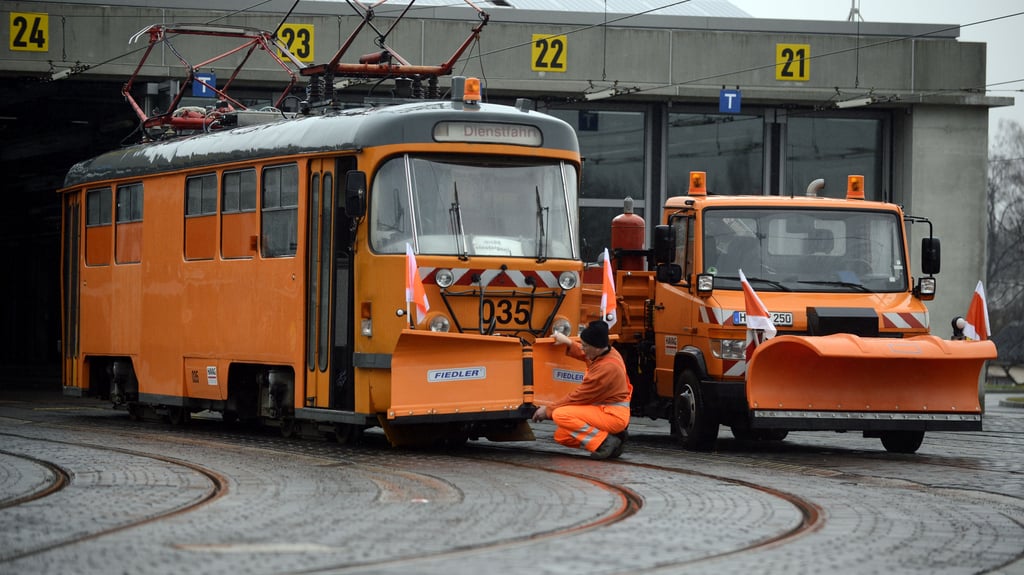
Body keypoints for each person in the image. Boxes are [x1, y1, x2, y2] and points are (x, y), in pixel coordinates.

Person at [532, 320, 632, 460]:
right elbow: (586, 355)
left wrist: (548, 410)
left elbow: (578, 396)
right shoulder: (607, 352)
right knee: (562, 436)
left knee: (561, 414)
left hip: (613, 415)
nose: (582, 348)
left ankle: (605, 442)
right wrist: (568, 342)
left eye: (584, 345)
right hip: (605, 411)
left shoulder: (606, 368)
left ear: (596, 348)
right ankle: (611, 439)